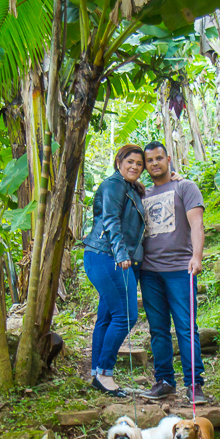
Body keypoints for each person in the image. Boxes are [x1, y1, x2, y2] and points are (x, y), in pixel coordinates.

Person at [137, 141, 207, 404]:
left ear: (168, 159)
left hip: (180, 268)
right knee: (158, 329)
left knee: (187, 327)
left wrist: (197, 256)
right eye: (149, 160)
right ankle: (165, 381)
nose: (154, 163)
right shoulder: (141, 194)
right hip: (149, 271)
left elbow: (197, 224)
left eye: (159, 158)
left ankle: (194, 384)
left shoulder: (185, 187)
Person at [80, 144, 147, 397]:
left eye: (139, 164)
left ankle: (97, 373)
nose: (134, 167)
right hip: (107, 256)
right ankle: (105, 373)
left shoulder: (130, 189)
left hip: (107, 257)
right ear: (119, 162)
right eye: (130, 161)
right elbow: (110, 219)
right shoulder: (113, 185)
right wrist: (121, 255)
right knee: (127, 315)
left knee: (107, 318)